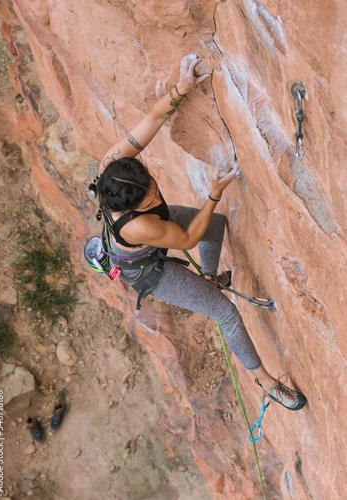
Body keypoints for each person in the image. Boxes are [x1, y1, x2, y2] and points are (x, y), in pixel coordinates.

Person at [90, 53, 307, 411]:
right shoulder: (141, 223)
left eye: (154, 188)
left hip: (150, 235)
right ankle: (267, 383)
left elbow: (154, 117)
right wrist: (213, 194)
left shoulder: (112, 166)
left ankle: (209, 276)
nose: (157, 196)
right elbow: (188, 239)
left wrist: (181, 87)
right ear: (131, 209)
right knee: (225, 313)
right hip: (147, 270)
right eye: (150, 199)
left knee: (215, 226)